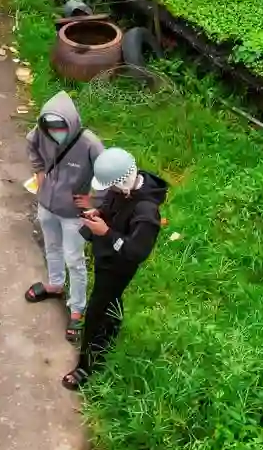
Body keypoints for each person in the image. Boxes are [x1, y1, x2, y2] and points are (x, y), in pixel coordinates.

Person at [64, 148, 168, 390]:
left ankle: (85, 366)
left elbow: (136, 252)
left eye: (110, 186)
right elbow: (112, 207)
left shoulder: (146, 212)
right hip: (105, 256)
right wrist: (98, 213)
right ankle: (112, 327)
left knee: (95, 311)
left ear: (123, 179)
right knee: (112, 300)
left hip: (118, 266)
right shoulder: (123, 187)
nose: (107, 191)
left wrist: (107, 233)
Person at [23, 91, 104, 340]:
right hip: (47, 205)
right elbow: (31, 143)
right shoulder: (41, 132)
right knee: (52, 247)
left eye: (60, 126)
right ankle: (56, 285)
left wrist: (94, 201)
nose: (54, 131)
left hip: (73, 214)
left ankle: (77, 309)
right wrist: (38, 172)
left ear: (71, 122)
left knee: (74, 259)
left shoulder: (90, 144)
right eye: (50, 127)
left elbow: (108, 175)